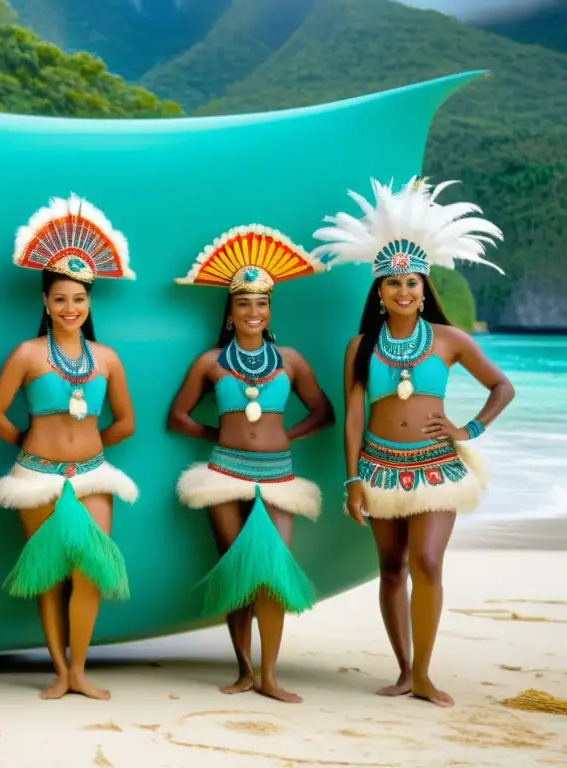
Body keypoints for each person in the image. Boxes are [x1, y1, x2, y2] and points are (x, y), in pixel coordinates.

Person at [312, 176, 515, 707]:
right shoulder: (362, 345)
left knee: (426, 562)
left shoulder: (450, 340)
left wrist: (468, 429)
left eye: (413, 284)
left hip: (435, 467)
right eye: (394, 285)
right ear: (379, 292)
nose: (405, 292)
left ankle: (424, 673)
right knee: (392, 568)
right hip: (379, 468)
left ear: (425, 289)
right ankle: (404, 669)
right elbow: (354, 419)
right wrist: (353, 479)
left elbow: (502, 386)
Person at [168, 224, 335, 703]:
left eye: (261, 303)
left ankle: (270, 675)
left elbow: (324, 412)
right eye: (244, 303)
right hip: (223, 473)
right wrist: (218, 434)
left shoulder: (292, 360)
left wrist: (288, 437)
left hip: (278, 474)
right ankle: (243, 670)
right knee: (234, 569)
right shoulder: (210, 362)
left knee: (272, 571)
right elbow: (178, 417)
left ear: (270, 309)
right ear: (230, 310)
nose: (253, 312)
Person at [0, 193, 137, 700]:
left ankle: (80, 669)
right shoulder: (27, 354)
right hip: (35, 476)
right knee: (48, 576)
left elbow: (126, 423)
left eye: (79, 299)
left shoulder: (108, 358)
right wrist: (29, 443)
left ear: (89, 302)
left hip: (92, 473)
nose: (70, 308)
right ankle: (59, 671)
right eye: (60, 299)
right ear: (46, 303)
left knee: (89, 572)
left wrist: (89, 445)